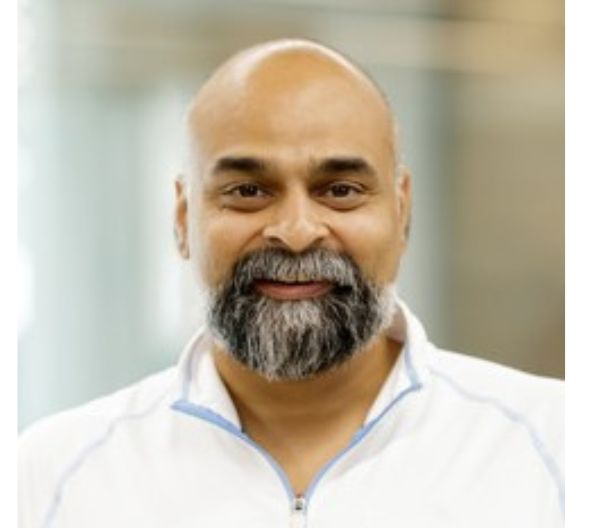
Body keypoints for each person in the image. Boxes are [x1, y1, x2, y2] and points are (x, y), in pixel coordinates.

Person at [19, 39, 564, 528]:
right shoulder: (52, 477)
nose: (297, 232)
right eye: (248, 191)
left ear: (403, 212)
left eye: (341, 190)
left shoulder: (560, 448)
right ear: (183, 219)